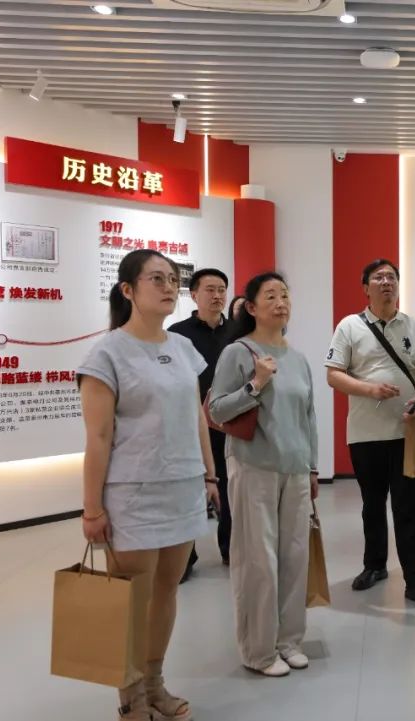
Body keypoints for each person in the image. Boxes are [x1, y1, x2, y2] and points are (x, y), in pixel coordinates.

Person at [78, 249, 221, 721]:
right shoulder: (107, 353)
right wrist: (92, 508)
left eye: (172, 280)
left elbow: (196, 417)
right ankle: (130, 695)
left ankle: (155, 683)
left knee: (167, 591)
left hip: (183, 487)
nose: (168, 287)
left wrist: (209, 474)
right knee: (132, 599)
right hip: (133, 492)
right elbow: (98, 437)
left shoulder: (182, 348)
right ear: (128, 290)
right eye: (156, 279)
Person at [209, 272, 319, 677]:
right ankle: (258, 650)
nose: (280, 302)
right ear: (252, 307)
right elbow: (216, 410)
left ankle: (289, 641)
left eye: (284, 295)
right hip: (253, 466)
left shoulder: (299, 359)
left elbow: (309, 417)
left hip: (295, 469)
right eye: (270, 296)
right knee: (258, 560)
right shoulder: (238, 352)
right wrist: (255, 383)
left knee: (295, 558)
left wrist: (312, 466)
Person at [325, 258, 415, 613]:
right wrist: (369, 389)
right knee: (372, 505)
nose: (386, 282)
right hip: (365, 433)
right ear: (366, 287)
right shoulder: (349, 326)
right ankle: (374, 565)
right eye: (378, 278)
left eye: (391, 277)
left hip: (408, 432)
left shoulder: (414, 327)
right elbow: (333, 374)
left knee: (409, 509)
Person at [169, 268, 231, 578]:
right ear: (194, 295)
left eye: (221, 289)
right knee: (191, 490)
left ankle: (231, 547)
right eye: (210, 289)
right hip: (191, 424)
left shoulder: (237, 332)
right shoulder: (177, 334)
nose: (217, 295)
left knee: (230, 488)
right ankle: (185, 557)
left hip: (230, 423)